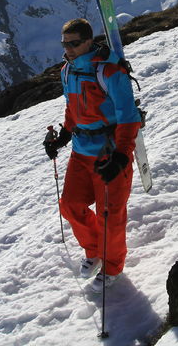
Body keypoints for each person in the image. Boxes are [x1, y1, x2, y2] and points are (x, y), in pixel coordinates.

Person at [43, 18, 142, 293]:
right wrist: (63, 136)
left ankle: (112, 267)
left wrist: (122, 156)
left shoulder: (109, 73)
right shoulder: (67, 71)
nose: (68, 49)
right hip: (80, 150)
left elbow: (128, 118)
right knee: (71, 206)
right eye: (65, 44)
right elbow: (72, 108)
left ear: (89, 41)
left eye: (74, 43)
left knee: (110, 214)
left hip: (110, 152)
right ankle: (95, 249)